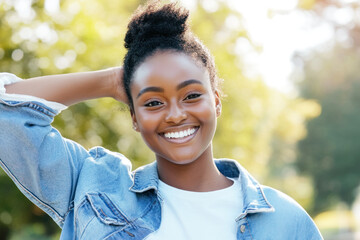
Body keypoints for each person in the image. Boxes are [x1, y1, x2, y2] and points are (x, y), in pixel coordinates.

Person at [0, 2, 323, 240]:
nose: (175, 114)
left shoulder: (284, 220)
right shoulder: (94, 188)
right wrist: (114, 81)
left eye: (192, 95)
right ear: (135, 118)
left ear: (217, 102)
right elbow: (6, 116)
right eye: (153, 102)